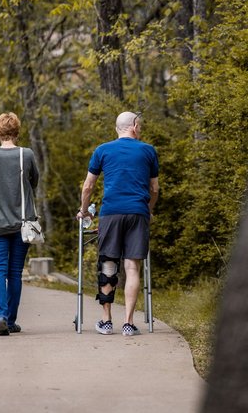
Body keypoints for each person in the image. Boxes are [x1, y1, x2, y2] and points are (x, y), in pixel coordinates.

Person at [76, 111, 159, 336]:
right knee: (132, 267)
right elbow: (154, 189)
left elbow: (88, 186)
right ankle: (129, 323)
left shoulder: (102, 150)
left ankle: (106, 321)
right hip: (137, 213)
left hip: (111, 213)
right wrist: (148, 211)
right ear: (133, 126)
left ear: (116, 129)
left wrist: (84, 211)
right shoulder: (148, 151)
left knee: (109, 264)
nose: (140, 128)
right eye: (139, 124)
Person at [0, 112, 39, 336]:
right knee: (15, 272)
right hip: (21, 223)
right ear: (17, 131)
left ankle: (1, 317)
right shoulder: (27, 155)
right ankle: (12, 320)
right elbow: (34, 181)